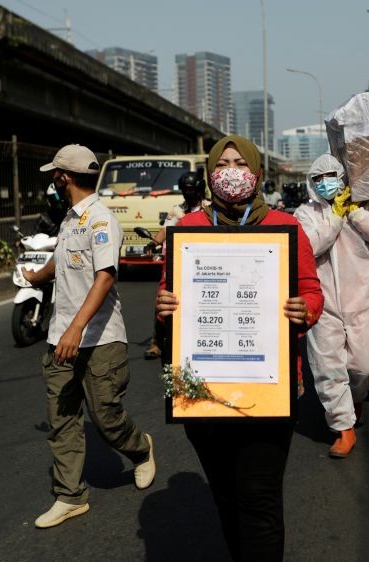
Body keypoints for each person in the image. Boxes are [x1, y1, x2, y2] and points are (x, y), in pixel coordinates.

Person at [156, 135, 323, 561]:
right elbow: (167, 295)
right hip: (202, 394)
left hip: (270, 387)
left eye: (239, 162)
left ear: (257, 173)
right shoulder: (189, 229)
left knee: (259, 499)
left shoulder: (286, 226)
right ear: (210, 174)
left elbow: (311, 290)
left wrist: (305, 309)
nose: (231, 171)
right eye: (222, 163)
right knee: (226, 495)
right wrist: (165, 306)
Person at [22, 144, 156, 529]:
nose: (52, 179)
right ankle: (70, 496)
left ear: (65, 177)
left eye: (55, 174)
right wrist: (35, 276)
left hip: (100, 339)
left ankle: (142, 447)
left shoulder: (101, 220)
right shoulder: (69, 220)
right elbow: (62, 259)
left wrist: (76, 328)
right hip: (60, 338)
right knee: (61, 418)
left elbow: (105, 276)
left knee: (107, 419)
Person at [294, 154, 369, 458]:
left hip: (360, 299)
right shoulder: (305, 213)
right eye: (318, 179)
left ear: (343, 177)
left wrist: (356, 214)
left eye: (330, 177)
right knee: (327, 368)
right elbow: (307, 247)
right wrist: (334, 218)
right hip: (321, 301)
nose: (325, 184)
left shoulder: (366, 205)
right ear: (311, 183)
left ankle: (356, 395)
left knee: (366, 365)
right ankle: (343, 428)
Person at [143, 171, 206, 359]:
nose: (188, 193)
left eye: (192, 189)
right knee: (163, 297)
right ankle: (157, 342)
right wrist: (153, 242)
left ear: (200, 189)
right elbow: (166, 229)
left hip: (203, 262)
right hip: (175, 260)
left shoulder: (210, 209)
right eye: (185, 190)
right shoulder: (176, 210)